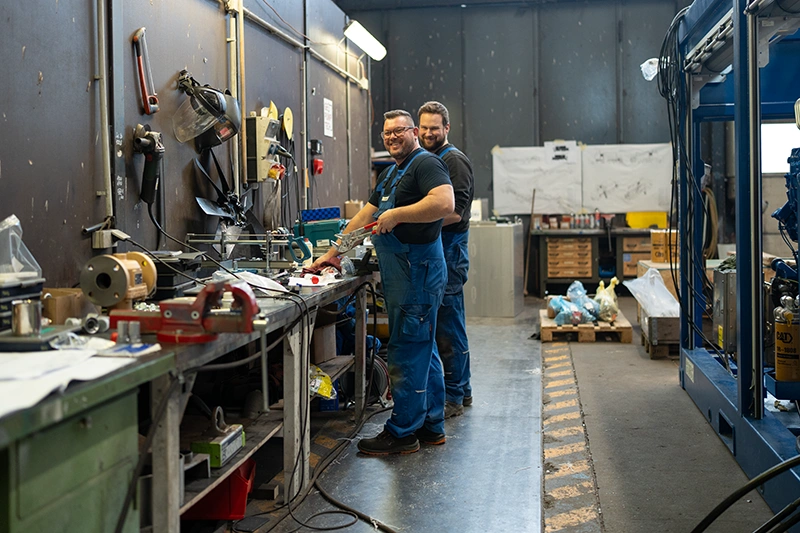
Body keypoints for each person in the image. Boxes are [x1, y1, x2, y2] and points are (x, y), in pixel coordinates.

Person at [312, 109, 455, 455]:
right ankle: (431, 425)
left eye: (399, 131)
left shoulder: (426, 164)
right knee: (423, 349)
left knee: (407, 350)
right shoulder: (392, 174)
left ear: (414, 133)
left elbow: (444, 203)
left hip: (417, 271)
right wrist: (334, 253)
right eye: (387, 133)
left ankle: (403, 432)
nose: (392, 137)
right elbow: (365, 215)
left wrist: (397, 214)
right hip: (405, 272)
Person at [417, 101, 475, 419]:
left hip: (450, 249)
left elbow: (455, 213)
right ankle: (461, 390)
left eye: (434, 128)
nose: (428, 133)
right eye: (424, 128)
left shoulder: (453, 160)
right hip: (439, 247)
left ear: (446, 128)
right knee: (446, 322)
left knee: (449, 325)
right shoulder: (430, 159)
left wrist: (411, 221)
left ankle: (454, 394)